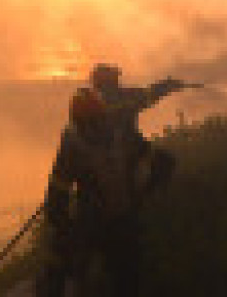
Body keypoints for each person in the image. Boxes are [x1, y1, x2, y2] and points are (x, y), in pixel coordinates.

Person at [37, 64, 194, 296]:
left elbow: (56, 199)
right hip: (116, 217)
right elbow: (160, 156)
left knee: (79, 271)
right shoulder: (115, 131)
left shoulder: (74, 140)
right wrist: (148, 189)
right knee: (123, 278)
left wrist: (63, 227)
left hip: (97, 221)